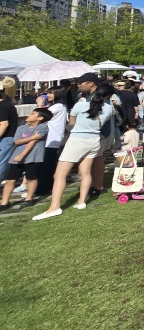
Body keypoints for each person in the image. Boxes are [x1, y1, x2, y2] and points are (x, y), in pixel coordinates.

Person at [33, 73, 105, 220]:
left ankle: (54, 207)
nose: (78, 85)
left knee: (59, 174)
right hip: (94, 139)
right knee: (85, 172)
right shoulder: (107, 107)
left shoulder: (80, 104)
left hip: (78, 139)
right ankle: (81, 201)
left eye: (81, 83)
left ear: (91, 84)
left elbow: (72, 124)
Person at [0, 107, 52, 209]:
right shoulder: (21, 128)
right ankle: (4, 202)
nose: (29, 115)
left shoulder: (43, 127)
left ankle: (29, 199)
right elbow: (17, 141)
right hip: (16, 158)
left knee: (31, 178)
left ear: (40, 118)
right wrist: (33, 137)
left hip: (33, 157)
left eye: (33, 114)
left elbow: (33, 143)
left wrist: (22, 155)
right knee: (10, 179)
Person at [0, 88, 18, 184]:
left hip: (6, 138)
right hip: (5, 138)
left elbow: (4, 124)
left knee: (1, 162)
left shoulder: (2, 106)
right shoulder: (6, 104)